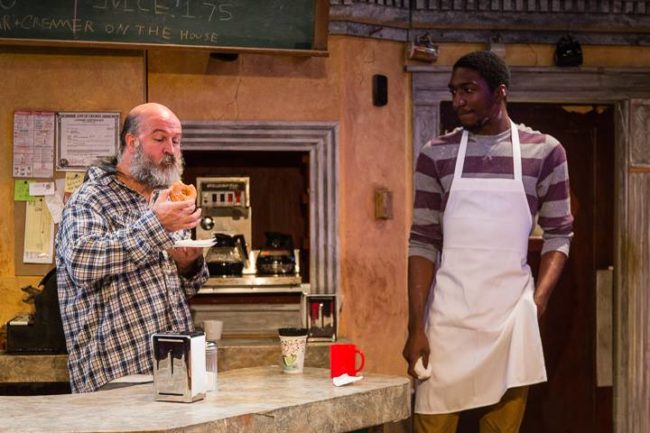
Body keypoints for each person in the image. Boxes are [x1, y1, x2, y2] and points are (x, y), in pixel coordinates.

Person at [403, 51, 573, 432]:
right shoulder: (436, 154)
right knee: (430, 424)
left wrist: (538, 301)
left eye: (468, 90)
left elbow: (559, 232)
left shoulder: (545, 152)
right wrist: (416, 326)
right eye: (453, 91)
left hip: (509, 318)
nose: (457, 100)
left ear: (499, 93)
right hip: (447, 320)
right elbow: (423, 241)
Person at [56, 102, 208, 393]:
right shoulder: (91, 198)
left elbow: (182, 291)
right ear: (132, 141)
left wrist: (188, 266)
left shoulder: (167, 201)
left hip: (172, 370)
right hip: (116, 375)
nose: (171, 150)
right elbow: (81, 263)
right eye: (160, 138)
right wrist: (156, 226)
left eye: (176, 141)